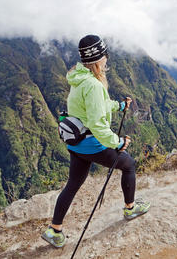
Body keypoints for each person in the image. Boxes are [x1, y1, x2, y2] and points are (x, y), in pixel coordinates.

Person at [42, 34, 150, 248]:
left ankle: (54, 231)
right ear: (98, 59)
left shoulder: (79, 78)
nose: (107, 60)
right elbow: (98, 124)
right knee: (128, 164)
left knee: (73, 185)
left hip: (75, 142)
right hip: (91, 143)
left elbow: (94, 107)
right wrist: (117, 143)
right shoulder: (94, 85)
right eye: (105, 56)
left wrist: (118, 106)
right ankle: (130, 208)